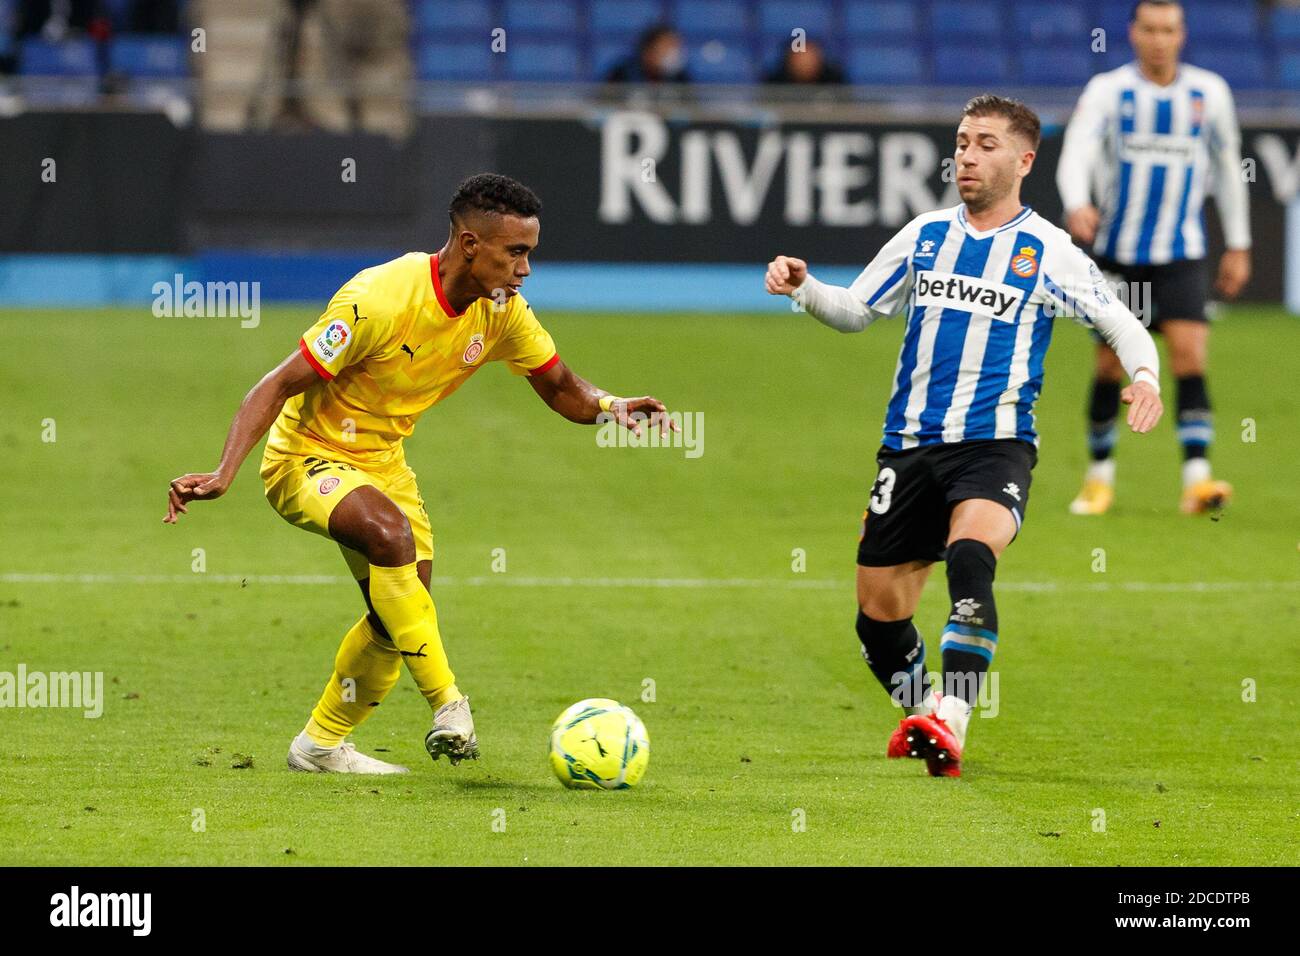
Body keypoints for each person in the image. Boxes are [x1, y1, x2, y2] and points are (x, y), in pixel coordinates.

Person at [164, 173, 674, 775]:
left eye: (529, 254)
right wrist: (226, 472)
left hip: (385, 465)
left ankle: (320, 745)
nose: (525, 270)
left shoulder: (502, 313)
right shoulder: (379, 299)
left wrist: (613, 405)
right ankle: (449, 705)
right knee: (391, 539)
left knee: (397, 617)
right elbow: (277, 383)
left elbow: (560, 386)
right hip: (306, 454)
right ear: (468, 245)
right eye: (516, 253)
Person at [765, 95, 1163, 777]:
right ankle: (926, 717)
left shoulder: (1049, 252)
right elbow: (858, 310)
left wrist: (1146, 377)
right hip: (910, 447)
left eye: (984, 144)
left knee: (973, 553)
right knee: (879, 621)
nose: (966, 156)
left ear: (1024, 160)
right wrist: (805, 288)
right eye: (960, 142)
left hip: (995, 443)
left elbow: (1121, 322)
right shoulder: (925, 235)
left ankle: (953, 713)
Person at [1057, 0, 1249, 516]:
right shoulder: (1108, 90)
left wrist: (1239, 242)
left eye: (1168, 29)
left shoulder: (1208, 92)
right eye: (1150, 29)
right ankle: (1098, 479)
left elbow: (1229, 166)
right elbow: (1076, 147)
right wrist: (1076, 200)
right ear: (1133, 33)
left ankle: (1197, 481)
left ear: (1181, 34)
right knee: (1109, 366)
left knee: (1189, 356)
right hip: (1119, 254)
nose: (1159, 39)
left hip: (1181, 252)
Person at [606, 25, 688, 83]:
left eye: (676, 46)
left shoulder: (681, 78)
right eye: (667, 47)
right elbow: (602, 104)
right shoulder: (622, 74)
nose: (674, 52)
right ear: (649, 51)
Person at [763, 39, 844, 85]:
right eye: (800, 58)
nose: (805, 63)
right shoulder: (774, 83)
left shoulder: (834, 82)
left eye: (809, 58)